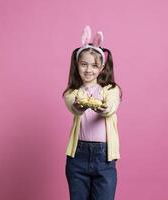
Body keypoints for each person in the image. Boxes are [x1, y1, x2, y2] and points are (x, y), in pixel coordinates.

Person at [62, 25, 122, 200]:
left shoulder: (111, 90)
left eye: (94, 65)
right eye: (84, 64)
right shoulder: (72, 92)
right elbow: (74, 107)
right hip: (78, 157)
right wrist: (81, 106)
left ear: (102, 68)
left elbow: (111, 105)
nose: (88, 70)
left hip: (104, 157)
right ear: (77, 65)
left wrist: (104, 109)